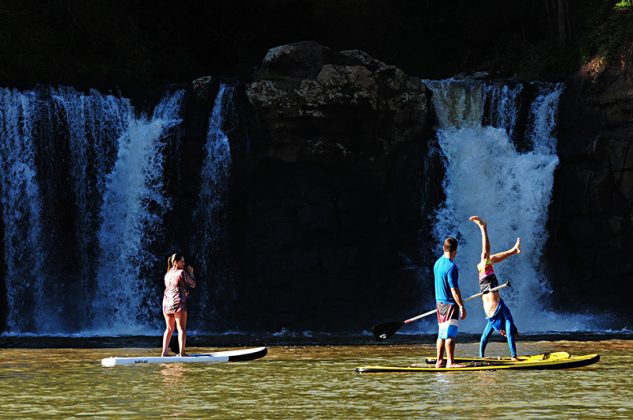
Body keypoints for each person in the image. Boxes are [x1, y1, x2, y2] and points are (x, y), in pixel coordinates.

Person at [469, 216, 521, 360]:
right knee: (485, 257)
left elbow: (484, 337)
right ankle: (483, 227)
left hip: (483, 288)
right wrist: (514, 356)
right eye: (504, 333)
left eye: (503, 334)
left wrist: (481, 357)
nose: (503, 334)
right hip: (490, 285)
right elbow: (510, 334)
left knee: (487, 260)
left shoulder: (494, 324)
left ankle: (513, 250)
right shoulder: (506, 316)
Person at [433, 236, 467, 368]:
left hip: (439, 303)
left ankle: (439, 361)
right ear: (455, 251)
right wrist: (461, 306)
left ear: (444, 248)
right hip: (450, 304)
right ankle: (450, 362)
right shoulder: (451, 267)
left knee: (441, 333)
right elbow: (454, 289)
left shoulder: (437, 263)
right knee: (450, 334)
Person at [161, 252, 196, 357]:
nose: (184, 264)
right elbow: (193, 284)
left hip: (167, 303)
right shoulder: (182, 272)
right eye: (182, 261)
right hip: (178, 303)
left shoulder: (167, 274)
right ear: (175, 262)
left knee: (169, 328)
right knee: (181, 329)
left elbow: (173, 288)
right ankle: (182, 353)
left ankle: (164, 353)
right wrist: (191, 272)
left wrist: (183, 291)